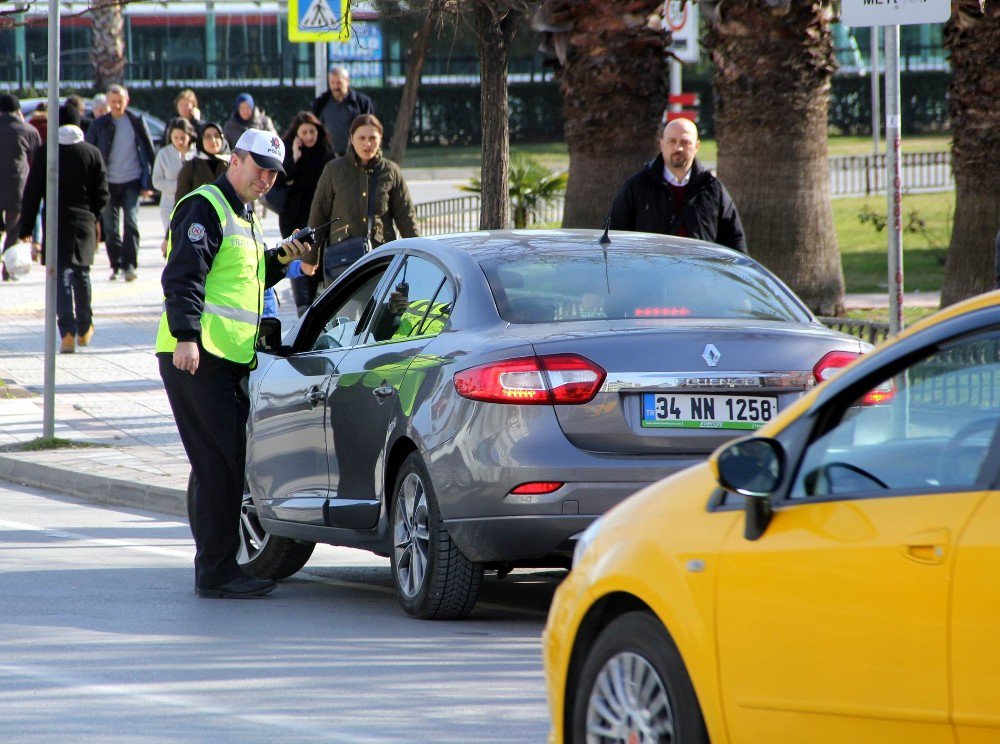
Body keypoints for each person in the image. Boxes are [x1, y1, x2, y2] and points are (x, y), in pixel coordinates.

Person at [156, 128, 309, 599]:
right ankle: (219, 572)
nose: (267, 179)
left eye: (273, 173)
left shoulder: (244, 215)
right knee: (221, 467)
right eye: (260, 168)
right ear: (235, 159)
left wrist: (284, 259)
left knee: (218, 467)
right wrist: (185, 336)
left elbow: (245, 276)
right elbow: (184, 275)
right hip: (197, 356)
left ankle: (216, 568)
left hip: (226, 358)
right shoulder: (206, 205)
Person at [18, 105, 108, 352]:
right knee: (82, 274)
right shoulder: (92, 152)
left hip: (56, 220)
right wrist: (94, 214)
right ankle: (84, 327)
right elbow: (103, 193)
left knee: (60, 276)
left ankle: (66, 331)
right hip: (84, 222)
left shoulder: (48, 152)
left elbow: (32, 191)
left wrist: (25, 228)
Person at [302, 114, 417, 282]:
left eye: (372, 138)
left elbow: (406, 217)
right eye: (361, 137)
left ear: (380, 139)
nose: (367, 144)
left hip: (382, 259)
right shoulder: (334, 170)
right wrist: (310, 257)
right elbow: (318, 215)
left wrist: (420, 256)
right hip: (343, 260)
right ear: (351, 139)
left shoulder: (391, 171)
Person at [609, 117, 747, 253]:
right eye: (672, 141)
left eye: (685, 142)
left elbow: (735, 241)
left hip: (698, 274)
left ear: (697, 146)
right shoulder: (638, 186)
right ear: (662, 144)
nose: (678, 148)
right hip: (650, 273)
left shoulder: (712, 189)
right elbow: (613, 235)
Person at [85, 83, 156, 281]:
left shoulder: (136, 121)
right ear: (107, 102)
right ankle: (116, 265)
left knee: (131, 223)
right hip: (107, 182)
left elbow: (149, 152)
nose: (117, 105)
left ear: (127, 101)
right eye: (113, 101)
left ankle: (130, 265)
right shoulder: (99, 125)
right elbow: (90, 153)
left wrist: (149, 184)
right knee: (110, 227)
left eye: (120, 101)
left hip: (132, 180)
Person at [276, 111, 333, 315]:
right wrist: (294, 154)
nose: (309, 136)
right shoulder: (289, 153)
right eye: (304, 132)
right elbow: (281, 178)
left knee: (317, 262)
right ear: (297, 134)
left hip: (320, 218)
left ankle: (315, 307)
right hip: (294, 219)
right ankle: (302, 307)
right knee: (298, 260)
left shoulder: (326, 153)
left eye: (312, 131)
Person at [0, 93, 41, 282]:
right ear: (18, 111)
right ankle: (8, 269)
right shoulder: (27, 130)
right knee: (13, 228)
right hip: (17, 186)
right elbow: (36, 159)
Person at [152, 117, 196, 255]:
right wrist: (179, 186)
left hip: (194, 204)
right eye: (175, 137)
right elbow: (157, 180)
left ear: (190, 136)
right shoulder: (164, 154)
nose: (179, 141)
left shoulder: (196, 153)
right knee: (174, 239)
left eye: (183, 137)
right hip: (170, 205)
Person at [311, 66, 375, 158]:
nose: (335, 86)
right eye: (332, 83)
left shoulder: (362, 102)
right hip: (328, 157)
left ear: (347, 81)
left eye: (339, 83)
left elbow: (370, 129)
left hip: (355, 156)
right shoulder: (321, 102)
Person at [174, 121, 231, 207]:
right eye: (208, 137)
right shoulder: (191, 166)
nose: (213, 140)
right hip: (199, 218)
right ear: (201, 140)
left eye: (217, 136)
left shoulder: (233, 165)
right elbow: (181, 202)